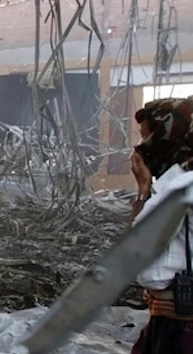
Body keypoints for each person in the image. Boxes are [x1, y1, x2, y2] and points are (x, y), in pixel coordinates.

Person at [130, 97, 193, 354]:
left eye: (146, 137)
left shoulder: (180, 188)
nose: (141, 146)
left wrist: (143, 191)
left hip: (179, 329)